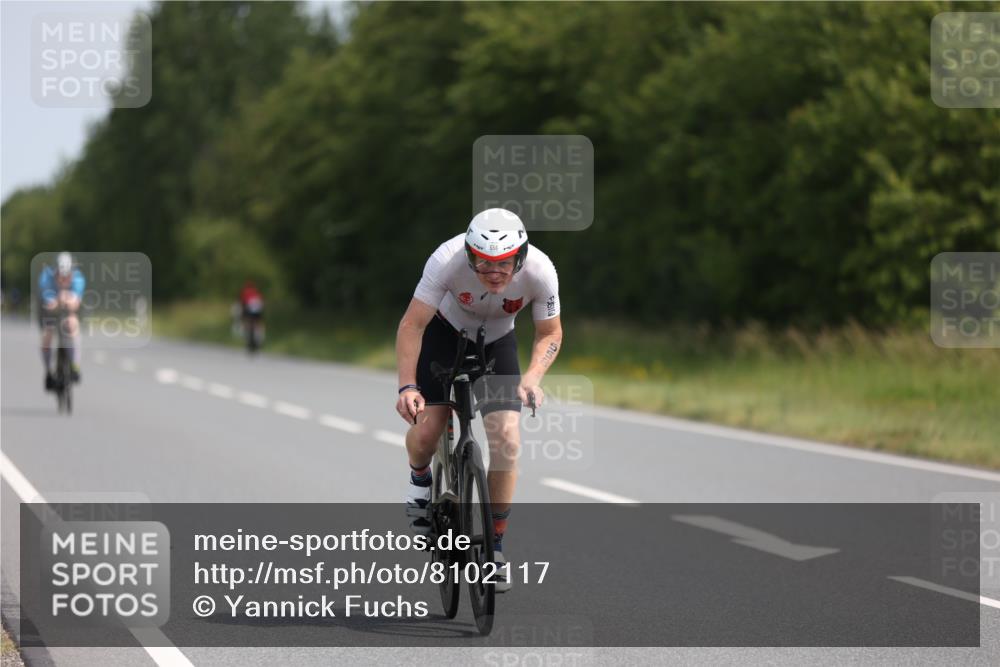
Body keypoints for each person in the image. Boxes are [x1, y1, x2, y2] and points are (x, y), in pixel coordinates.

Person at [394, 208, 562, 592]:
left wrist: (533, 378)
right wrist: (407, 387)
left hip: (497, 342)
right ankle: (420, 482)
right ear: (469, 255)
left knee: (507, 439)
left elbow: (550, 332)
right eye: (484, 262)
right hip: (444, 333)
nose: (494, 271)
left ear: (519, 258)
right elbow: (412, 324)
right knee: (428, 431)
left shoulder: (540, 270)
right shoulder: (445, 260)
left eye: (504, 263)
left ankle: (496, 550)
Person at [39, 251, 85, 389]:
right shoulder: (46, 279)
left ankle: (75, 366)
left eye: (67, 276)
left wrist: (65, 299)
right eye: (60, 275)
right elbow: (50, 306)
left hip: (68, 308)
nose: (64, 279)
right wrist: (60, 298)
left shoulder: (78, 279)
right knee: (47, 335)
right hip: (50, 309)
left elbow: (75, 304)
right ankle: (48, 372)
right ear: (55, 272)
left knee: (72, 326)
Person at [239, 280, 264, 350]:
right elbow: (261, 302)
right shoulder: (256, 291)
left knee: (247, 322)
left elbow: (242, 302)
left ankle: (248, 339)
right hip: (258, 308)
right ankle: (259, 337)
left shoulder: (245, 291)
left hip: (249, 307)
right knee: (258, 323)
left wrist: (242, 314)